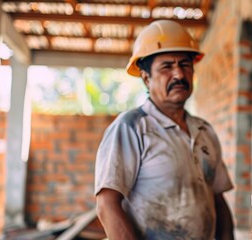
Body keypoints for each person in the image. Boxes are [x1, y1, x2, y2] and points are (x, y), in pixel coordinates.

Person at [94, 20, 235, 240]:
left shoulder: (204, 131)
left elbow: (217, 199)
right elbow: (106, 205)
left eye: (185, 65)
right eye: (166, 66)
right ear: (146, 77)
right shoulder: (131, 127)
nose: (179, 74)